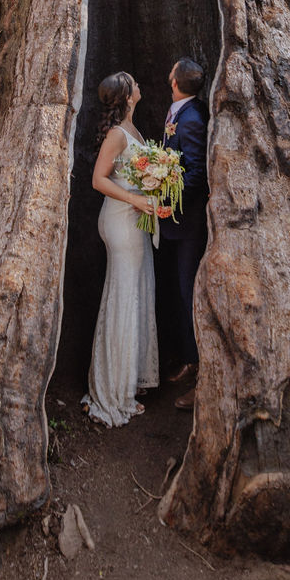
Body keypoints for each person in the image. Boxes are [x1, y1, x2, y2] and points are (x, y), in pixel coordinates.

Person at [83, 71, 160, 427]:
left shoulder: (133, 130)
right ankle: (115, 392)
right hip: (121, 221)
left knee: (136, 293)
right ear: (128, 97)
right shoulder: (116, 135)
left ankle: (129, 378)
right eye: (135, 83)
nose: (140, 85)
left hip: (136, 218)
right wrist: (134, 198)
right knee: (124, 298)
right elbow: (99, 179)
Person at [161, 57, 209, 410]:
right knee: (178, 291)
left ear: (175, 81)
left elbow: (195, 175)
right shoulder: (179, 112)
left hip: (186, 223)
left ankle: (202, 371)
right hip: (174, 223)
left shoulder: (191, 120)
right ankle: (189, 360)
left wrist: (166, 201)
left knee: (189, 290)